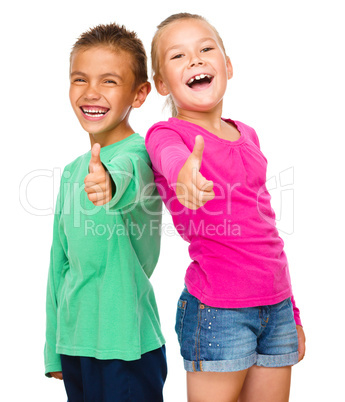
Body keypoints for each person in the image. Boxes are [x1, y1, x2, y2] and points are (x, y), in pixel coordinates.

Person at [145, 12, 306, 402]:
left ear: (227, 65)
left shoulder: (247, 133)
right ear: (162, 84)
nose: (195, 60)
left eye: (205, 49)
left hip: (276, 306)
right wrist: (184, 173)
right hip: (219, 312)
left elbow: (264, 229)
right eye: (178, 56)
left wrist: (293, 311)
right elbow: (168, 157)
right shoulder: (169, 133)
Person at [44, 23, 167, 402]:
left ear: (139, 93)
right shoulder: (71, 172)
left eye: (109, 81)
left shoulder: (142, 155)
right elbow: (59, 264)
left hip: (126, 346)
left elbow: (128, 180)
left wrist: (110, 184)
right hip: (76, 345)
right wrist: (55, 346)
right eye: (80, 79)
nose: (91, 92)